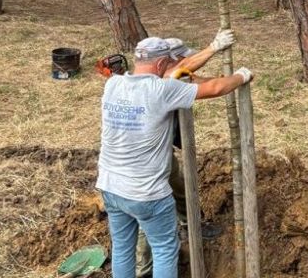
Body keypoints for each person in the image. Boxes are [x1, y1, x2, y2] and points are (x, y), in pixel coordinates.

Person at [97, 31, 248, 278]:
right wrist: (242, 75)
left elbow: (182, 72)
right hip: (147, 193)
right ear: (160, 64)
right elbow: (216, 87)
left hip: (110, 187)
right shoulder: (162, 90)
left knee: (123, 249)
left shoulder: (113, 84)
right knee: (165, 248)